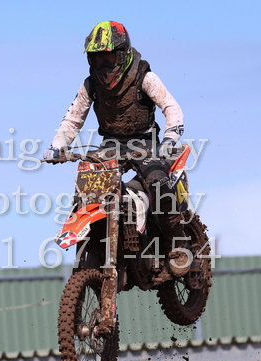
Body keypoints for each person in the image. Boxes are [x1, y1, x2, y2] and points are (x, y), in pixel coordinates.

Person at [44, 21, 190, 276]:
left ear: (123, 54)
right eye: (97, 59)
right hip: (110, 145)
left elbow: (171, 108)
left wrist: (169, 140)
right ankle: (96, 244)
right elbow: (73, 119)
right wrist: (57, 146)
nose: (103, 65)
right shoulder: (90, 84)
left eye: (108, 57)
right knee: (86, 189)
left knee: (158, 182)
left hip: (145, 143)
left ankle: (176, 243)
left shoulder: (145, 77)